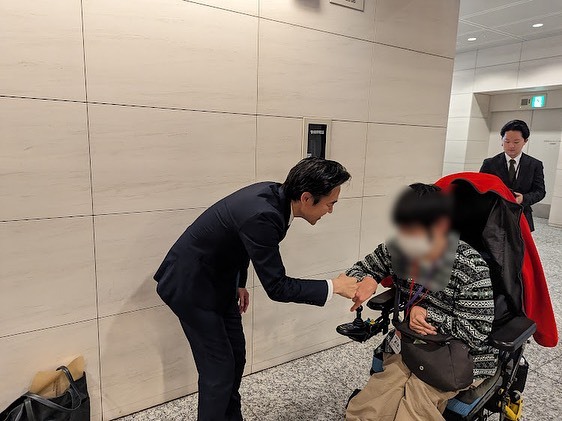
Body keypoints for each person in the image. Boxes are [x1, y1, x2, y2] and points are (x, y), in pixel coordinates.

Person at [154, 157, 358, 421]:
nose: (330, 211)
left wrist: (240, 282)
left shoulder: (277, 198)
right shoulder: (264, 214)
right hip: (189, 286)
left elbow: (240, 239)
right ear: (307, 198)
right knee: (219, 371)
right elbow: (278, 287)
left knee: (236, 358)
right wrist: (334, 286)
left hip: (220, 281)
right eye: (330, 204)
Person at [335, 183, 495, 421]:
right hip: (411, 344)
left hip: (455, 355)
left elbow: (477, 331)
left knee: (415, 405)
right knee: (372, 403)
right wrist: (368, 279)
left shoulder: (470, 266)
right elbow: (359, 269)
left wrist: (429, 316)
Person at [480, 119, 545, 231]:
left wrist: (523, 198)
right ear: (502, 140)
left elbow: (540, 191)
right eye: (507, 141)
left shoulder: (534, 165)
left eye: (516, 142)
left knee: (521, 242)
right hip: (494, 217)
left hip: (522, 216)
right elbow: (480, 189)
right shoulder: (489, 163)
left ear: (525, 141)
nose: (511, 146)